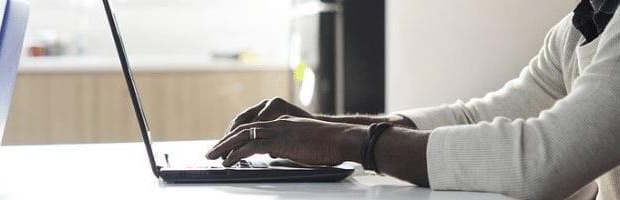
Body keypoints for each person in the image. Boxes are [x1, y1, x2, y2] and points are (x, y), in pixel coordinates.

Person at [205, 0, 620, 199]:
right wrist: (326, 127)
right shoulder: (580, 27)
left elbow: (541, 162)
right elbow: (478, 116)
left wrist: (351, 143)